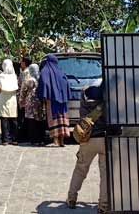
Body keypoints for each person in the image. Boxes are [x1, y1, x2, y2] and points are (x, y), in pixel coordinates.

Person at [67, 84, 108, 214]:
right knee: (105, 174)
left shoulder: (84, 104)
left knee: (80, 169)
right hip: (105, 139)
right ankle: (103, 205)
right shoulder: (106, 103)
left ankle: (72, 198)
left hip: (87, 139)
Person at [38, 54, 70, 147]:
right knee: (62, 119)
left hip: (51, 100)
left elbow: (43, 83)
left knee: (53, 118)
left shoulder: (45, 71)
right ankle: (62, 140)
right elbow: (66, 83)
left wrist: (43, 95)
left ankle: (55, 139)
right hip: (62, 101)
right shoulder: (60, 71)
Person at [18, 62, 47, 145]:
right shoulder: (41, 79)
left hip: (31, 103)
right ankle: (41, 139)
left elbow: (23, 92)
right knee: (40, 121)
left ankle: (34, 140)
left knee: (32, 122)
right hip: (40, 103)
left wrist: (21, 102)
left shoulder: (28, 80)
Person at [0, 59, 19, 145]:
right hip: (12, 99)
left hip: (3, 98)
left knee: (4, 119)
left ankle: (5, 139)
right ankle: (14, 139)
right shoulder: (14, 76)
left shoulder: (1, 76)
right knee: (13, 119)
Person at [17, 56, 32, 142]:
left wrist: (21, 100)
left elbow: (23, 87)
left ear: (24, 63)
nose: (20, 63)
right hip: (26, 99)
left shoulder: (26, 73)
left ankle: (24, 136)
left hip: (25, 99)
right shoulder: (26, 72)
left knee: (23, 118)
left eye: (22, 62)